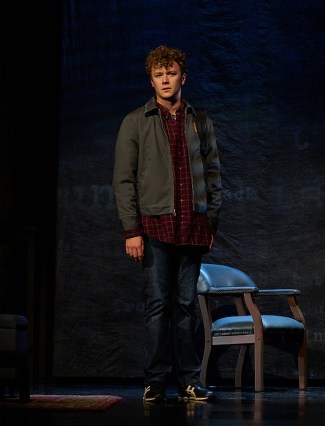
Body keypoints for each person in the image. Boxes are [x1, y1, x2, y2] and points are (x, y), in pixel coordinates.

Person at [112, 45, 222, 403]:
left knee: (188, 305)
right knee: (158, 303)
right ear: (151, 79)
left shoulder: (199, 120)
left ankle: (189, 380)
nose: (165, 80)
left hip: (192, 226)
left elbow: (213, 175)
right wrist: (132, 230)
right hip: (155, 226)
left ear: (182, 77)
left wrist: (211, 224)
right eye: (159, 75)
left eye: (171, 73)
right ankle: (155, 381)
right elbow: (124, 180)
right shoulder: (136, 121)